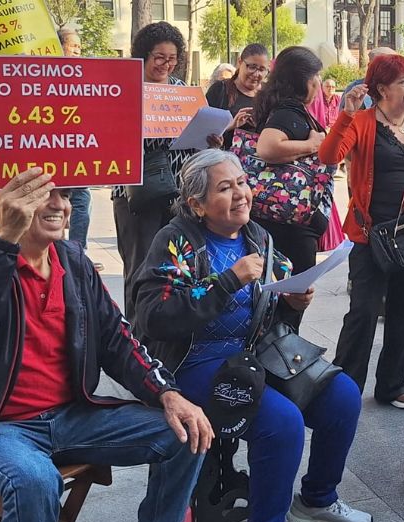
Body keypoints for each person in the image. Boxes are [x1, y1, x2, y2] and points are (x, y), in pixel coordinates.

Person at [0, 168, 212, 522]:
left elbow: (118, 339)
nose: (59, 205)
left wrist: (168, 394)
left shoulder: (74, 262)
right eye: (41, 194)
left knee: (186, 433)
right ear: (5, 201)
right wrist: (2, 242)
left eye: (64, 195)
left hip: (73, 417)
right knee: (34, 480)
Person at [134, 150, 371, 522]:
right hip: (193, 362)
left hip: (254, 354)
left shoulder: (257, 236)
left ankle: (316, 500)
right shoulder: (175, 241)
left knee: (343, 395)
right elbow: (154, 317)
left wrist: (293, 301)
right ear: (197, 204)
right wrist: (227, 280)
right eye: (225, 188)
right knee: (281, 422)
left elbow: (270, 308)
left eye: (242, 182)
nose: (241, 193)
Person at [319, 54, 404, 408]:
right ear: (382, 88)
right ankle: (344, 388)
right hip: (372, 234)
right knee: (363, 312)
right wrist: (347, 114)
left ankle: (392, 385)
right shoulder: (364, 121)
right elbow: (329, 155)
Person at [113, 22, 199, 330]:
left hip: (177, 191)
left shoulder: (181, 91)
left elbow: (193, 141)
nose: (165, 64)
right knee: (139, 267)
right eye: (159, 57)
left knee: (175, 264)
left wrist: (209, 137)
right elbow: (111, 137)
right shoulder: (124, 88)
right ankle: (135, 339)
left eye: (172, 57)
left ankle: (166, 334)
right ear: (143, 55)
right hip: (137, 193)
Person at [251, 46, 329, 287]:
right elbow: (266, 148)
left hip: (274, 219)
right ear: (302, 79)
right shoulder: (288, 112)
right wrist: (310, 144)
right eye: (315, 76)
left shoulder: (276, 107)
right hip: (289, 224)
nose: (318, 84)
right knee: (291, 299)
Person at [57, 27, 102, 270]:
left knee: (81, 199)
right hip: (52, 152)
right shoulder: (44, 75)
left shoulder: (83, 77)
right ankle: (60, 254)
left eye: (79, 47)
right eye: (73, 45)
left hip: (77, 152)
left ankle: (75, 253)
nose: (78, 51)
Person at [206, 43, 270, 149]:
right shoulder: (220, 90)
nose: (256, 74)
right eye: (252, 67)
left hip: (259, 160)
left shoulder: (270, 94)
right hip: (225, 160)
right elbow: (205, 129)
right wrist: (231, 125)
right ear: (240, 62)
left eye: (262, 70)